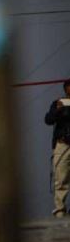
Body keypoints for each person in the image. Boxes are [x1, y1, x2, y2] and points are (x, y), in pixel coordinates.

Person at [45, 79, 70, 218]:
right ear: (65, 89)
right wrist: (58, 109)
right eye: (68, 87)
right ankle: (60, 210)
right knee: (60, 178)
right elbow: (48, 120)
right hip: (62, 144)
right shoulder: (57, 103)